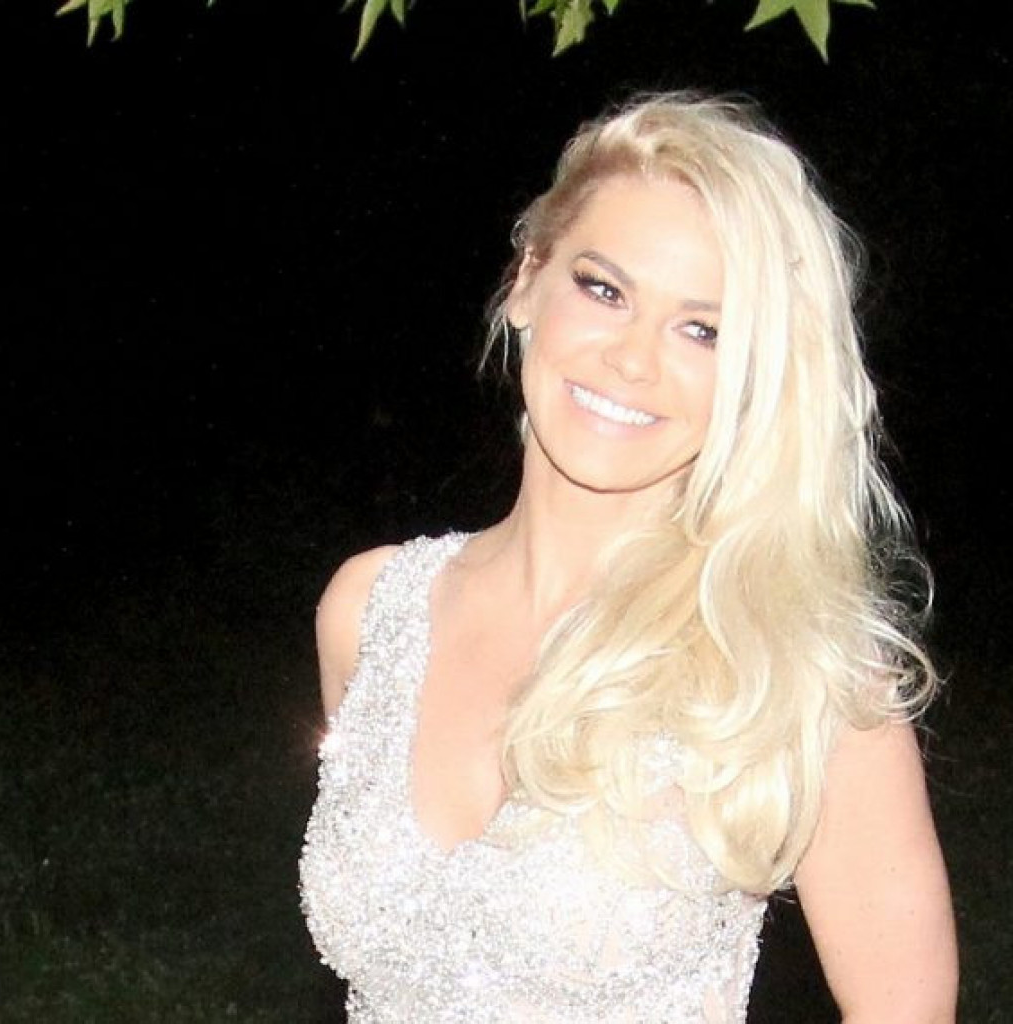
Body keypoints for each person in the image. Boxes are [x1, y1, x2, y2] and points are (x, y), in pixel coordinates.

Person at [299, 92, 958, 1022]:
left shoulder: (803, 672)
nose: (633, 359)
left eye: (703, 330)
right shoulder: (370, 609)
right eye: (604, 290)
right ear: (527, 279)